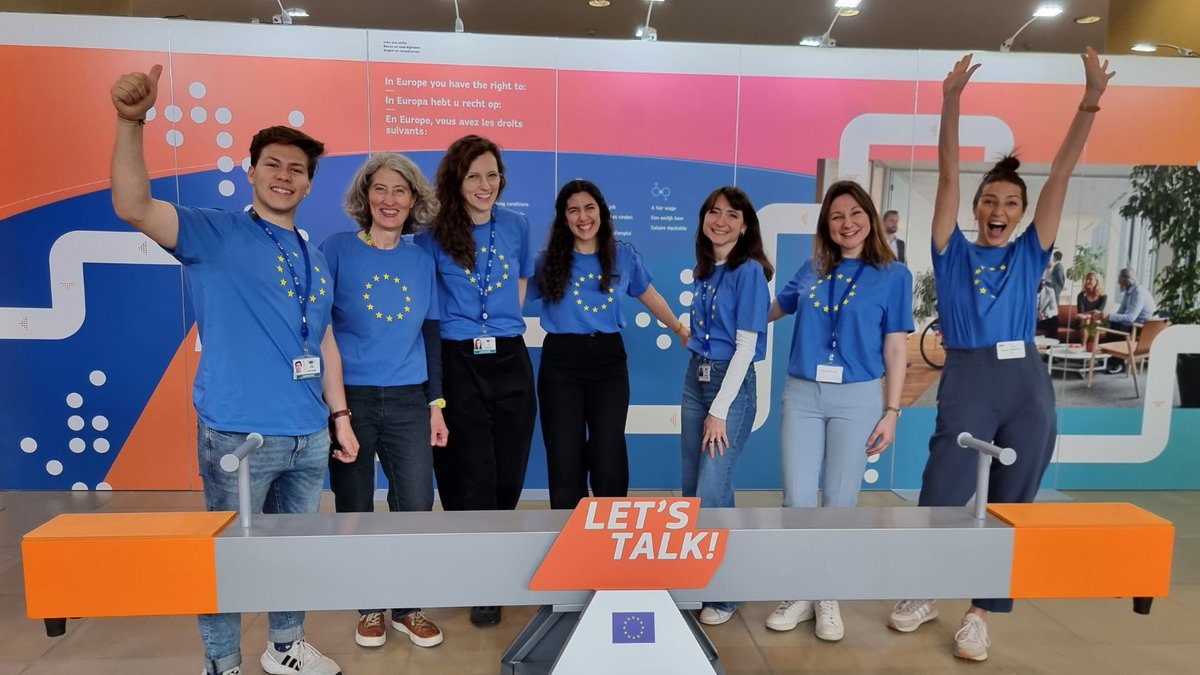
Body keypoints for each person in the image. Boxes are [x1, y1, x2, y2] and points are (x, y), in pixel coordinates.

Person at [110, 65, 359, 675]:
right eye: (272, 164)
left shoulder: (314, 254)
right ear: (251, 173)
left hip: (307, 434)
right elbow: (132, 204)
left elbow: (322, 341)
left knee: (290, 554)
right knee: (225, 557)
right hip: (239, 437)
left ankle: (285, 647)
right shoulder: (213, 233)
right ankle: (222, 661)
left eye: (296, 169)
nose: (284, 175)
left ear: (308, 184)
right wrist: (130, 121)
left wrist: (339, 418)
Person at [888, 49, 1114, 661]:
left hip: (1026, 387)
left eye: (1011, 203)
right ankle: (920, 591)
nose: (999, 211)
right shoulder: (950, 252)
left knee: (1013, 502)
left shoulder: (1030, 254)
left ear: (1020, 214)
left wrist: (1090, 99)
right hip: (967, 378)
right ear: (975, 208)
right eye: (989, 201)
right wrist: (951, 101)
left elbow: (1062, 174)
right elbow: (946, 174)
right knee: (942, 489)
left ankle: (981, 614)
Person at [765, 181, 912, 641]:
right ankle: (800, 591)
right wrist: (725, 309)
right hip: (803, 393)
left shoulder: (894, 275)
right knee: (798, 497)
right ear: (826, 226)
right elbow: (770, 310)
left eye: (854, 213)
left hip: (860, 396)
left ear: (869, 216)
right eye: (836, 217)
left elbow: (895, 348)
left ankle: (826, 593)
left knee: (841, 500)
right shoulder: (812, 269)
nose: (847, 223)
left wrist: (892, 411)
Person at [320, 153, 446, 650]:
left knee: (414, 504)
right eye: (380, 189)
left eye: (400, 191)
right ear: (365, 196)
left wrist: (436, 405)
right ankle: (369, 606)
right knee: (355, 505)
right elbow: (321, 330)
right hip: (350, 401)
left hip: (409, 400)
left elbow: (432, 334)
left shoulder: (423, 258)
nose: (389, 200)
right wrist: (335, 411)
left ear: (414, 199)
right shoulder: (336, 250)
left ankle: (407, 606)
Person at [413, 135, 535, 628]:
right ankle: (482, 578)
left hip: (509, 357)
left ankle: (495, 558)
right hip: (457, 358)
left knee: (509, 469)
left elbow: (520, 290)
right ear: (455, 181)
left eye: (492, 175)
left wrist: (497, 325)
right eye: (474, 176)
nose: (485, 185)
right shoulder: (431, 236)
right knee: (470, 471)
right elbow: (428, 316)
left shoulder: (517, 226)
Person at [530, 180, 688, 509]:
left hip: (608, 363)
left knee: (608, 451)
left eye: (590, 208)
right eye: (573, 210)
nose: (583, 217)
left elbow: (650, 296)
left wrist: (677, 328)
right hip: (561, 364)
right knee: (564, 453)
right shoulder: (548, 262)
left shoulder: (623, 256)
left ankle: (609, 530)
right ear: (564, 218)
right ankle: (569, 532)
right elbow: (512, 297)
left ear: (602, 212)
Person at [681, 186, 773, 627]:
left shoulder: (748, 271)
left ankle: (726, 591)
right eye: (713, 211)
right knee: (695, 486)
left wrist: (720, 408)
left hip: (728, 388)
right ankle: (700, 576)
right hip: (695, 376)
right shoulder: (705, 269)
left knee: (711, 489)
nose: (720, 220)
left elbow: (745, 348)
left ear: (745, 225)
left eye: (731, 215)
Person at [1099, 267, 1154, 374]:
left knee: (1116, 325)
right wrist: (1105, 316)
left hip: (1142, 328)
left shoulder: (1139, 293)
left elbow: (1131, 317)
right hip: (1132, 325)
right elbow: (1120, 313)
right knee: (1113, 322)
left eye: (1120, 279)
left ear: (1127, 279)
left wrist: (1109, 316)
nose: (1118, 282)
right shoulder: (1128, 292)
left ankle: (1118, 363)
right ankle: (1112, 358)